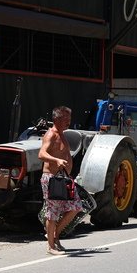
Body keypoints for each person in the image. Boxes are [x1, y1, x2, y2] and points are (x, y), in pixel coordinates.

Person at [38, 105, 82, 255]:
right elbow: (41, 154)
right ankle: (51, 246)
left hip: (63, 178)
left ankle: (55, 235)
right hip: (52, 179)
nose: (68, 122)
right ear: (56, 119)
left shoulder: (62, 134)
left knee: (76, 207)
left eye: (69, 119)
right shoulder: (51, 135)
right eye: (65, 119)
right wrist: (56, 160)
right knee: (53, 212)